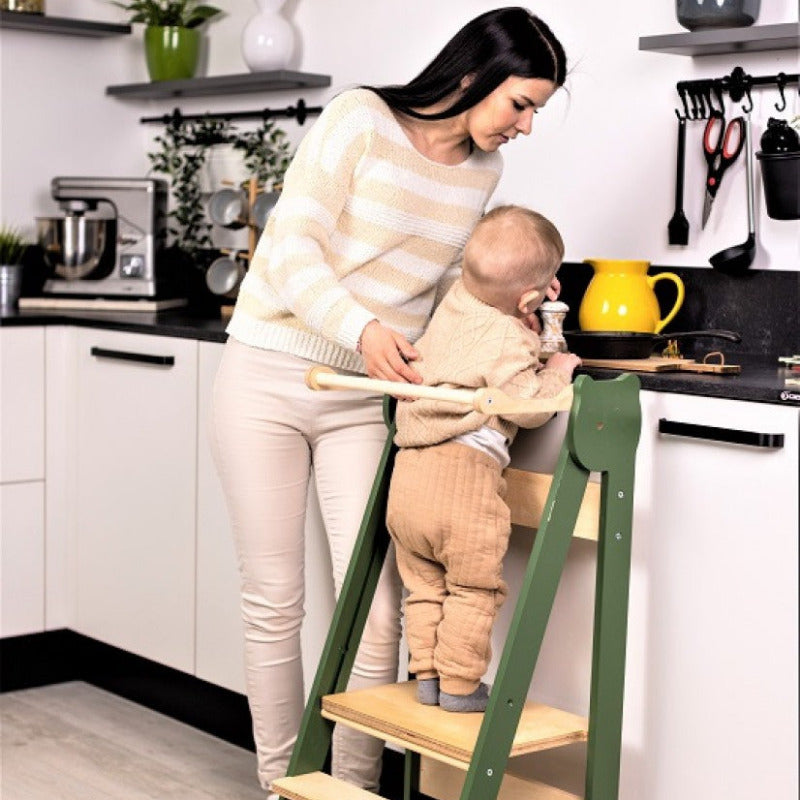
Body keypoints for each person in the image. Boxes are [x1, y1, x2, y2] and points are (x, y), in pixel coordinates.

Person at [210, 7, 568, 795]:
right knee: (274, 602)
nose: (526, 126)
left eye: (537, 110)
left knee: (375, 610)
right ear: (474, 76)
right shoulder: (360, 120)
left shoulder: (481, 172)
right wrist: (362, 328)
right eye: (521, 103)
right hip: (269, 374)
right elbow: (291, 247)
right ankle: (282, 786)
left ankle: (355, 787)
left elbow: (447, 290)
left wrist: (514, 316)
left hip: (370, 395)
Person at [386, 205, 582, 713]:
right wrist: (557, 370)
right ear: (529, 300)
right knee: (473, 589)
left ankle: (427, 677)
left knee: (424, 587)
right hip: (463, 485)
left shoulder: (455, 300)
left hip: (407, 480)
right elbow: (530, 407)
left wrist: (524, 303)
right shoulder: (510, 336)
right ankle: (459, 686)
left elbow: (483, 328)